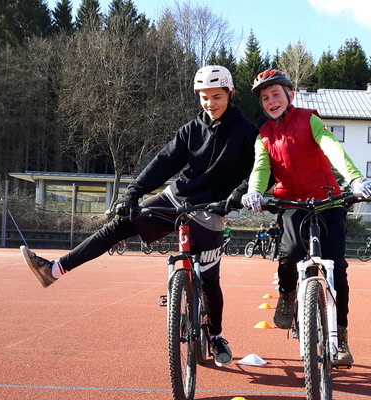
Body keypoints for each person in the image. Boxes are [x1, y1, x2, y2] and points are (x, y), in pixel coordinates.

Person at [20, 65, 258, 367]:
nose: (210, 104)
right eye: (204, 97)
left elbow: (258, 170)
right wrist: (133, 193)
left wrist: (237, 196)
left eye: (217, 97)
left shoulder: (247, 132)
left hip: (212, 211)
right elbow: (163, 162)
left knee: (209, 278)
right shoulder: (190, 131)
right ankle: (53, 270)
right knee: (120, 224)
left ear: (230, 94)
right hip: (177, 199)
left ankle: (216, 335)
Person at [240, 69, 371, 367]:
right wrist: (255, 190)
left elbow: (332, 147)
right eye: (265, 98)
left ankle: (340, 336)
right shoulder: (264, 134)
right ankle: (288, 294)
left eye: (276, 94)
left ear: (290, 95)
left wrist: (355, 180)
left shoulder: (309, 119)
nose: (271, 101)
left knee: (337, 269)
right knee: (290, 253)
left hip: (327, 199)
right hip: (291, 201)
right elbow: (262, 167)